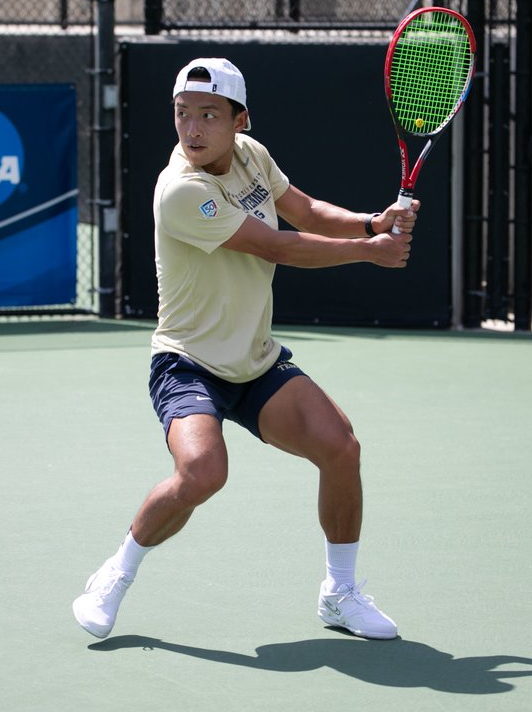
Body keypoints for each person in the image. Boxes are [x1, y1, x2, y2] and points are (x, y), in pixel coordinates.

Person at [72, 57, 418, 641]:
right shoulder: (180, 189)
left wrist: (367, 223)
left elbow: (304, 211)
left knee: (341, 447)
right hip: (187, 362)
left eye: (209, 115)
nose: (193, 128)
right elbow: (276, 246)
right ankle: (116, 572)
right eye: (183, 114)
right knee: (203, 472)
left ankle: (340, 593)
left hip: (254, 361)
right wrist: (370, 252)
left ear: (240, 120)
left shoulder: (252, 155)